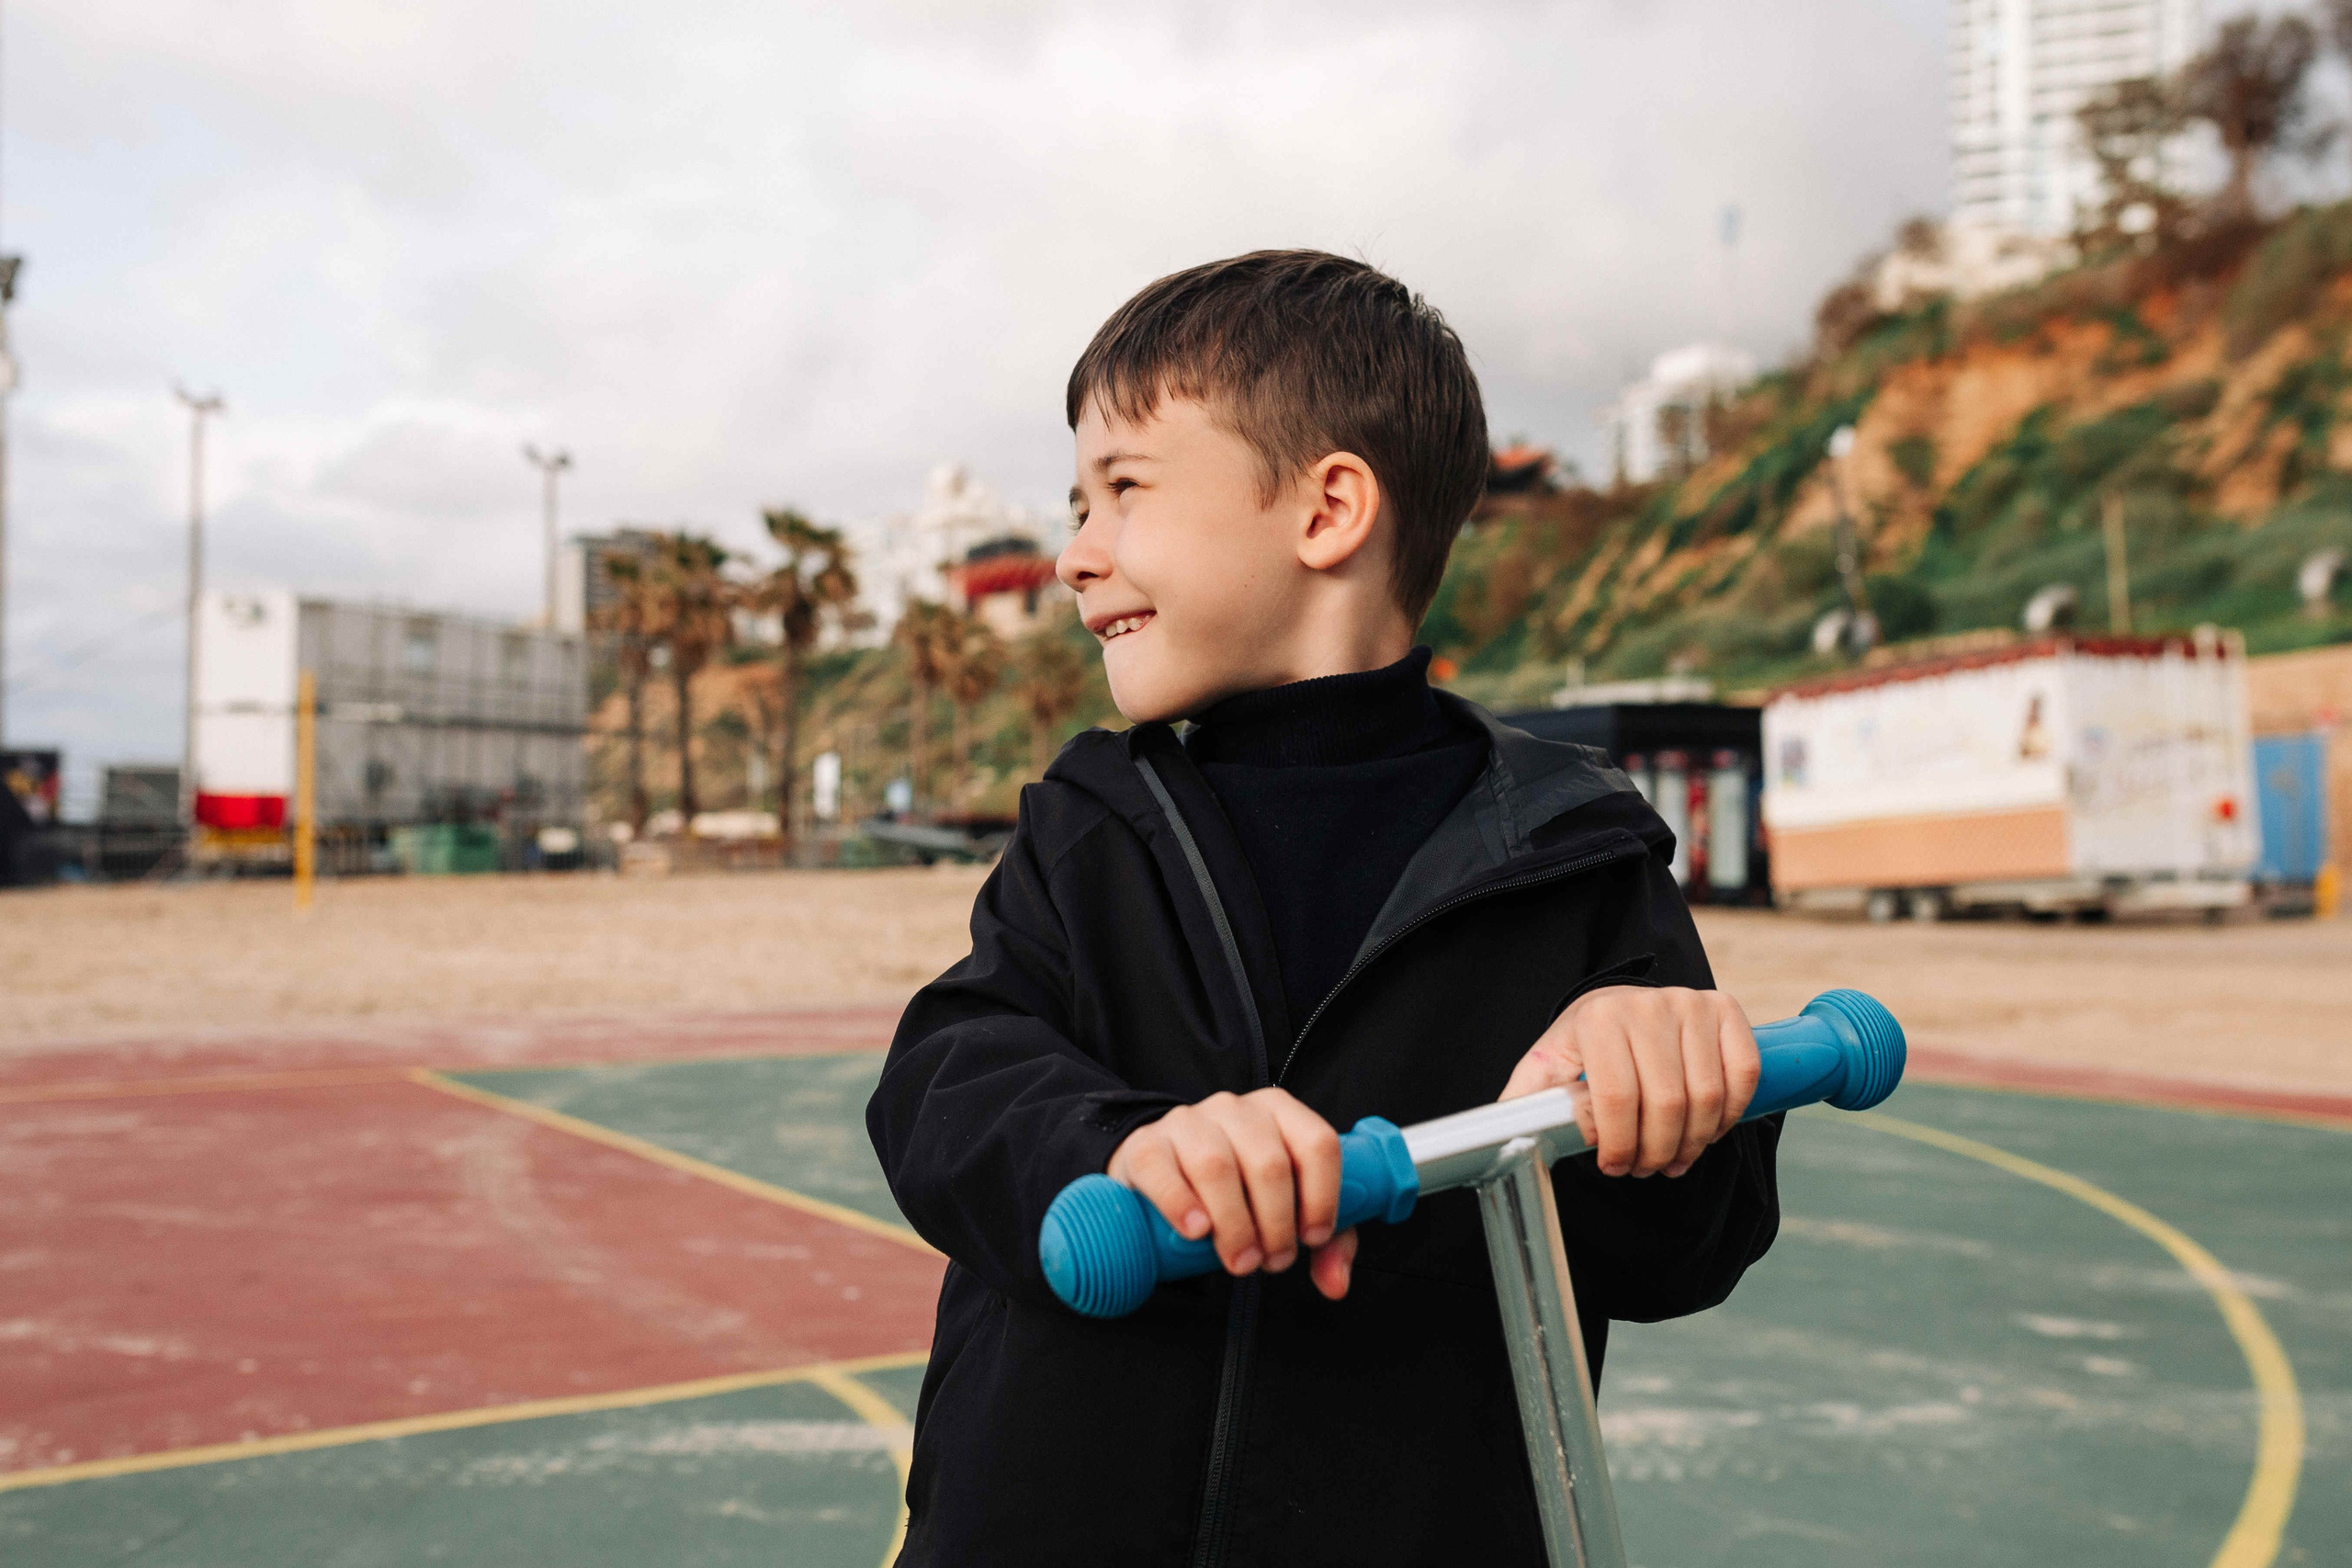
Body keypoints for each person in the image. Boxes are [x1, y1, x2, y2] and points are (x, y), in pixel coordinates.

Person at [866, 250, 1781, 1566]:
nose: (1074, 555)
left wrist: (1669, 1095)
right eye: (1079, 503)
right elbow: (949, 1080)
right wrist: (1117, 1147)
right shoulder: (1091, 827)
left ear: (1327, 509)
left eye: (1122, 491)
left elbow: (1684, 1252)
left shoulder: (1574, 853)